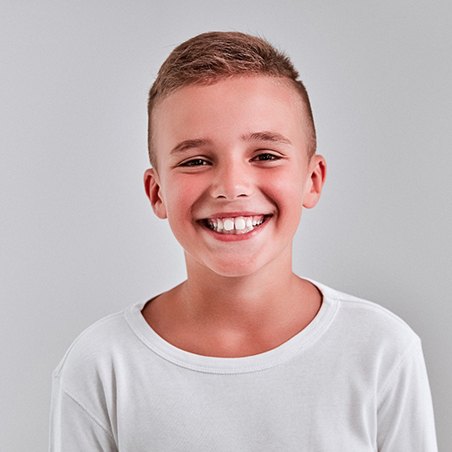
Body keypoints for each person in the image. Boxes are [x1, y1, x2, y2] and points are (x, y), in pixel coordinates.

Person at [49, 31, 437, 451]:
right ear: (156, 192)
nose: (231, 186)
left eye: (265, 155)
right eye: (196, 161)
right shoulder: (102, 364)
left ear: (313, 179)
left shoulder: (381, 350)